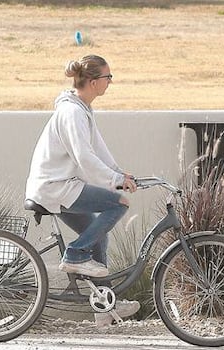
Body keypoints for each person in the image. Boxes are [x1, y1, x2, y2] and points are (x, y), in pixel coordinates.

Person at [25, 54, 140, 326]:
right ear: (92, 81)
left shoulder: (82, 109)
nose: (110, 82)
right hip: (56, 187)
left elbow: (98, 150)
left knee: (99, 235)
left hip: (61, 186)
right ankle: (75, 255)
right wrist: (115, 182)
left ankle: (104, 307)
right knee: (119, 203)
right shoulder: (72, 112)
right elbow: (84, 158)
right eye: (107, 77)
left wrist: (120, 173)